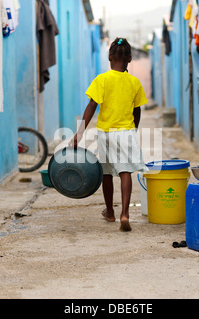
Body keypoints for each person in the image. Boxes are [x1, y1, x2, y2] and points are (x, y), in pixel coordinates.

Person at [71, 38, 149, 232]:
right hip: (126, 132)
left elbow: (91, 106)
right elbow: (137, 110)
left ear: (109, 57)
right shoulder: (134, 82)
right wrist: (134, 128)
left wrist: (79, 132)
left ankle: (110, 212)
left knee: (106, 173)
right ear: (130, 59)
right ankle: (125, 213)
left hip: (106, 133)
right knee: (125, 172)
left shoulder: (102, 80)